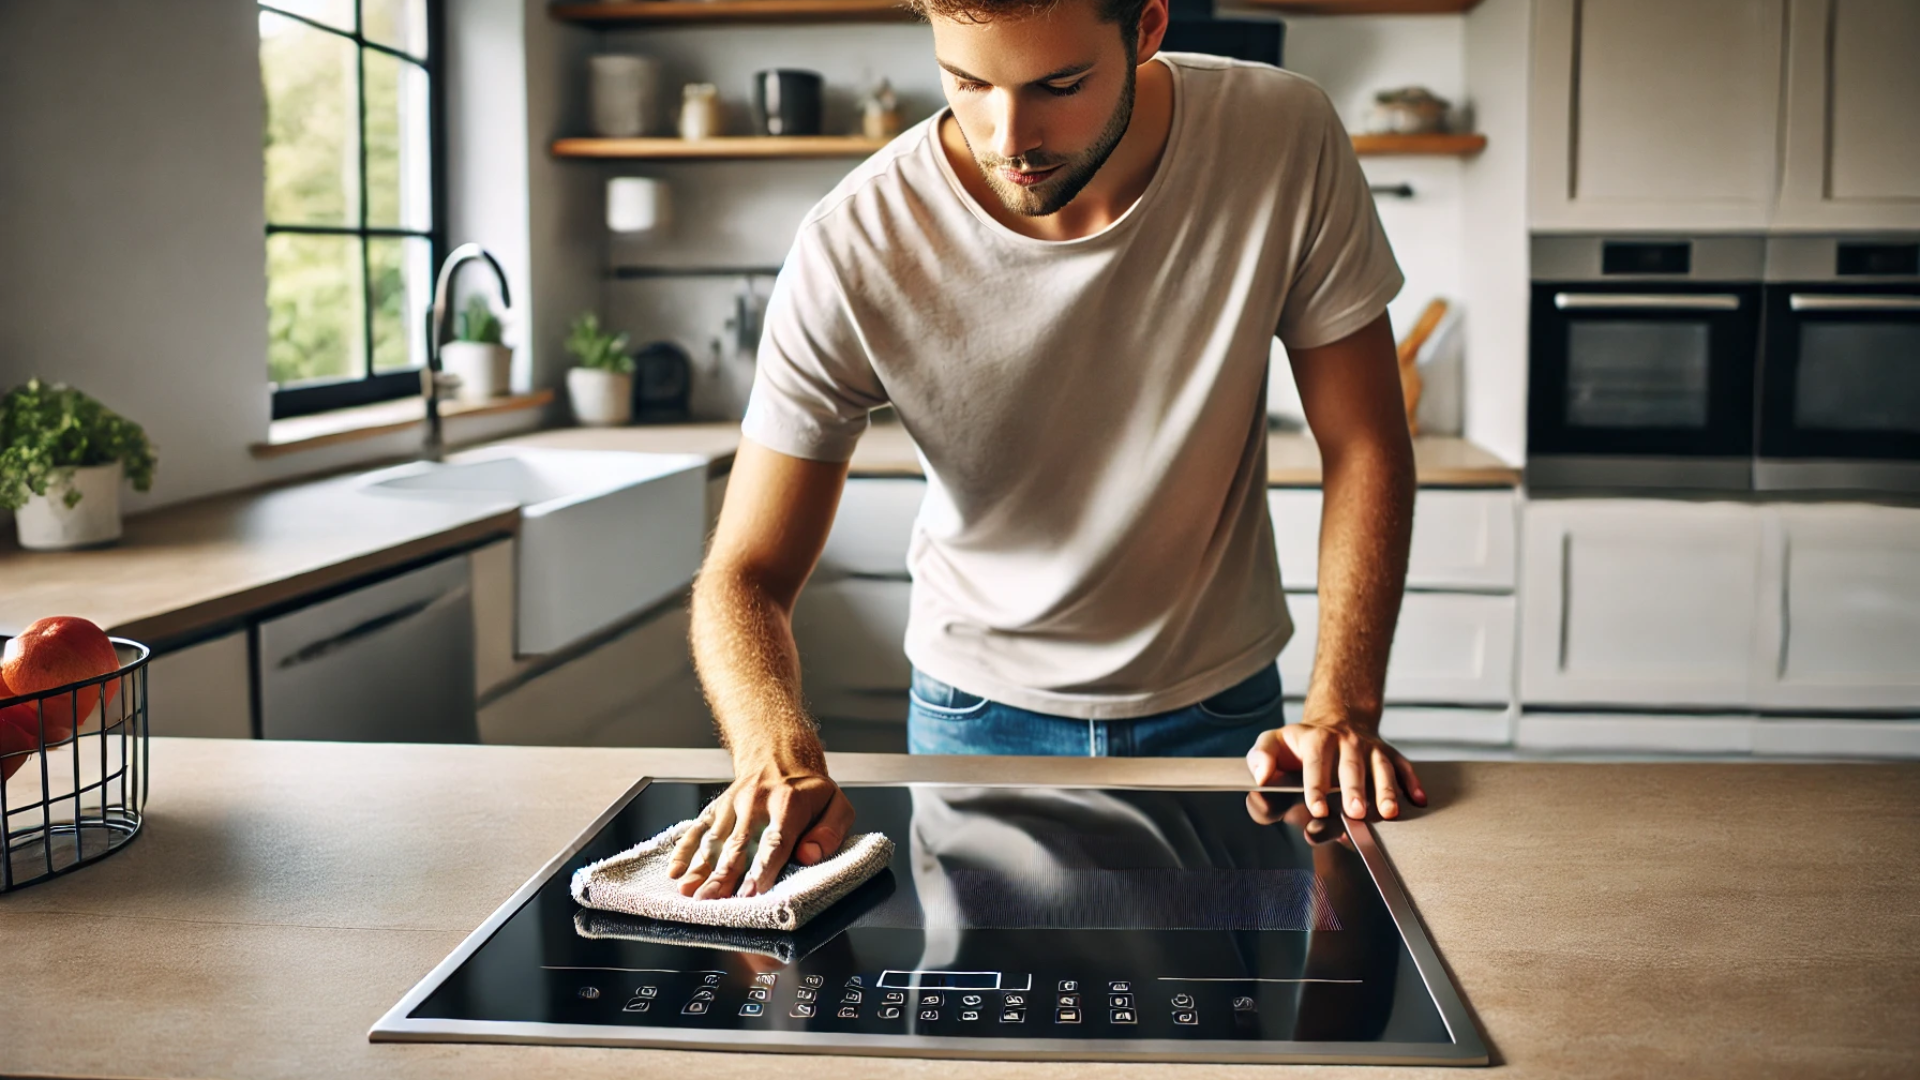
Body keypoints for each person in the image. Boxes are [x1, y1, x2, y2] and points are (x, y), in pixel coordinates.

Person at [669, 0, 1427, 901]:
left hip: (1227, 707)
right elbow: (743, 575)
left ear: (1146, 29)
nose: (1010, 137)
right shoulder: (854, 244)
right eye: (966, 83)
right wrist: (772, 751)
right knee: (991, 1031)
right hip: (974, 715)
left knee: (1232, 1023)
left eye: (1059, 86)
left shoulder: (1281, 134)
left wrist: (1344, 706)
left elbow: (1366, 443)